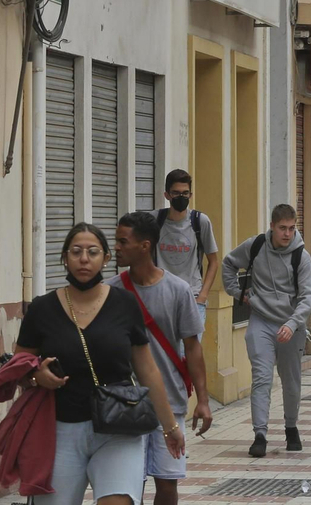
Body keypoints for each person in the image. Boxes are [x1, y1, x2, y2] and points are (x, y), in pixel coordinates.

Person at [14, 223, 184, 505]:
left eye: (93, 252)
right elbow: (19, 368)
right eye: (76, 251)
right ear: (65, 257)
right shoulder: (42, 308)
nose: (84, 258)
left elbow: (147, 370)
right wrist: (35, 376)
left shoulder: (125, 304)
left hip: (117, 428)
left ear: (105, 258)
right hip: (59, 430)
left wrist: (169, 427)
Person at [110, 211, 212, 505]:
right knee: (129, 487)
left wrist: (203, 401)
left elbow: (193, 347)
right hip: (125, 406)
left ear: (144, 246)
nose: (115, 247)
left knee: (167, 485)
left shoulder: (178, 290)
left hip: (170, 403)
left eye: (122, 241)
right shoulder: (112, 290)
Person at [222, 205, 311, 458]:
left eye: (292, 228)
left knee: (291, 381)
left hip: (291, 325)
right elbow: (228, 264)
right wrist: (238, 293)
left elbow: (308, 296)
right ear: (272, 226)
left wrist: (293, 323)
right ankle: (260, 435)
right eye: (282, 228)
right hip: (261, 320)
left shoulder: (301, 257)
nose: (287, 234)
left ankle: (291, 427)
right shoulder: (255, 246)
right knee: (262, 377)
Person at [156, 170, 220, 332]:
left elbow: (213, 261)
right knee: (164, 353)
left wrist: (203, 296)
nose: (181, 197)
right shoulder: (154, 220)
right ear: (167, 195)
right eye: (176, 193)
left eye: (185, 193)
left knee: (189, 354)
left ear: (190, 195)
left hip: (192, 298)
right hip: (161, 298)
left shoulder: (200, 221)